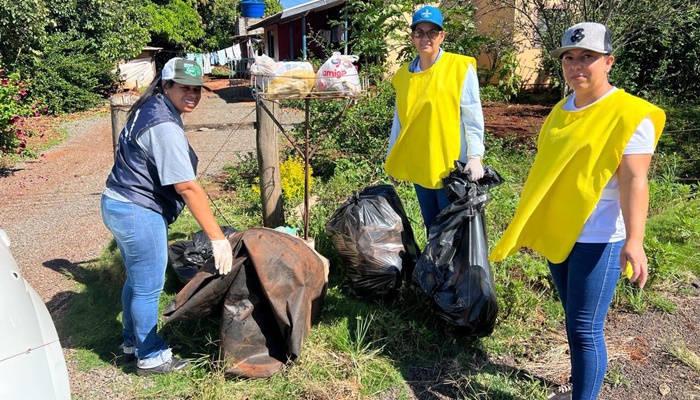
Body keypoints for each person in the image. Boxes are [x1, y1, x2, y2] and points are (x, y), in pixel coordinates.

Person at [489, 22, 666, 400]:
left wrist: (635, 240)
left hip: (599, 237)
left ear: (609, 62)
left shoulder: (631, 114)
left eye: (588, 56)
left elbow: (636, 181)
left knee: (586, 329)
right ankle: (580, 385)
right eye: (569, 57)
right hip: (559, 234)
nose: (576, 65)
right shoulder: (560, 109)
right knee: (573, 322)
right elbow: (547, 175)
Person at [100, 57, 234, 376]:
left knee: (137, 278)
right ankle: (151, 355)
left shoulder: (152, 107)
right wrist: (218, 239)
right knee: (149, 286)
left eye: (196, 89)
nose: (192, 94)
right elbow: (188, 187)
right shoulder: (163, 125)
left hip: (117, 203)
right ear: (166, 85)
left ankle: (131, 342)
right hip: (137, 210)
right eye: (184, 88)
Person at [384, 5, 485, 231]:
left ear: (442, 36)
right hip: (421, 165)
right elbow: (399, 121)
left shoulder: (459, 67)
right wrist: (393, 157)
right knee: (433, 229)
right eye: (419, 32)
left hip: (452, 168)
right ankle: (435, 267)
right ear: (412, 37)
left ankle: (453, 269)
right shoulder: (404, 75)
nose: (425, 38)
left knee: (454, 233)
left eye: (432, 32)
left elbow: (472, 114)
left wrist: (475, 156)